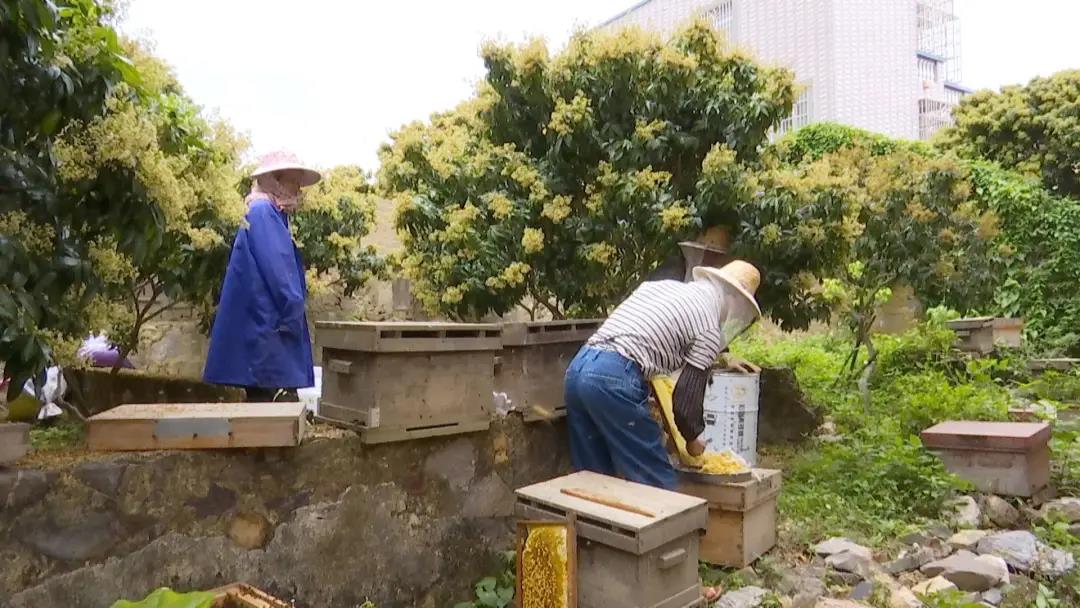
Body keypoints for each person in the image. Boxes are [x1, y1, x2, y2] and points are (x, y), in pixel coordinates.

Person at [564, 259, 762, 487]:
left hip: (577, 369)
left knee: (593, 482)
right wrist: (693, 440)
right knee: (658, 485)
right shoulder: (708, 326)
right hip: (612, 378)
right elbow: (685, 403)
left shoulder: (662, 287)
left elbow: (644, 339)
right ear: (734, 300)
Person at [203, 151, 321, 402]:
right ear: (274, 180)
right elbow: (280, 272)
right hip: (267, 330)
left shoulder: (263, 211)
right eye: (293, 181)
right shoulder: (263, 213)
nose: (298, 188)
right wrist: (293, 314)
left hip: (262, 328)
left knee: (263, 406)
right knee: (275, 407)